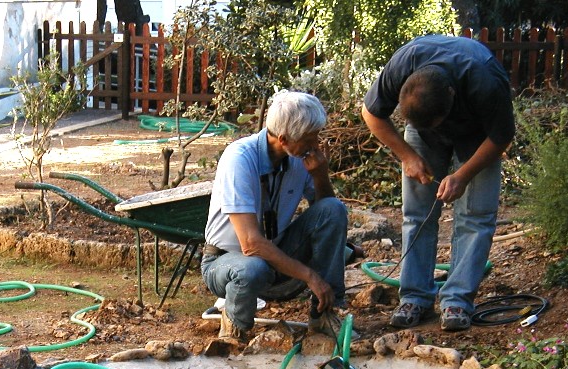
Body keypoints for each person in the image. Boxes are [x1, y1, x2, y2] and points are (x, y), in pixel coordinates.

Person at [362, 34, 515, 332]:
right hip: (423, 138)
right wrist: (407, 155)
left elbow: (501, 137)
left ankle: (457, 301)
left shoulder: (482, 77)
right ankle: (415, 297)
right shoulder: (402, 65)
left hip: (478, 136)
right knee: (417, 214)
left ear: (451, 94)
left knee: (476, 217)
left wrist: (463, 175)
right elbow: (371, 113)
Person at [201, 90, 350, 343]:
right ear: (284, 138)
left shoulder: (298, 159)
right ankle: (235, 330)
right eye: (309, 139)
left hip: (275, 253)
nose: (315, 145)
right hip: (224, 263)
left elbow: (325, 213)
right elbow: (251, 244)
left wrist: (320, 175)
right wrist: (310, 276)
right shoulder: (239, 158)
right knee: (252, 268)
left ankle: (324, 316)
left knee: (334, 208)